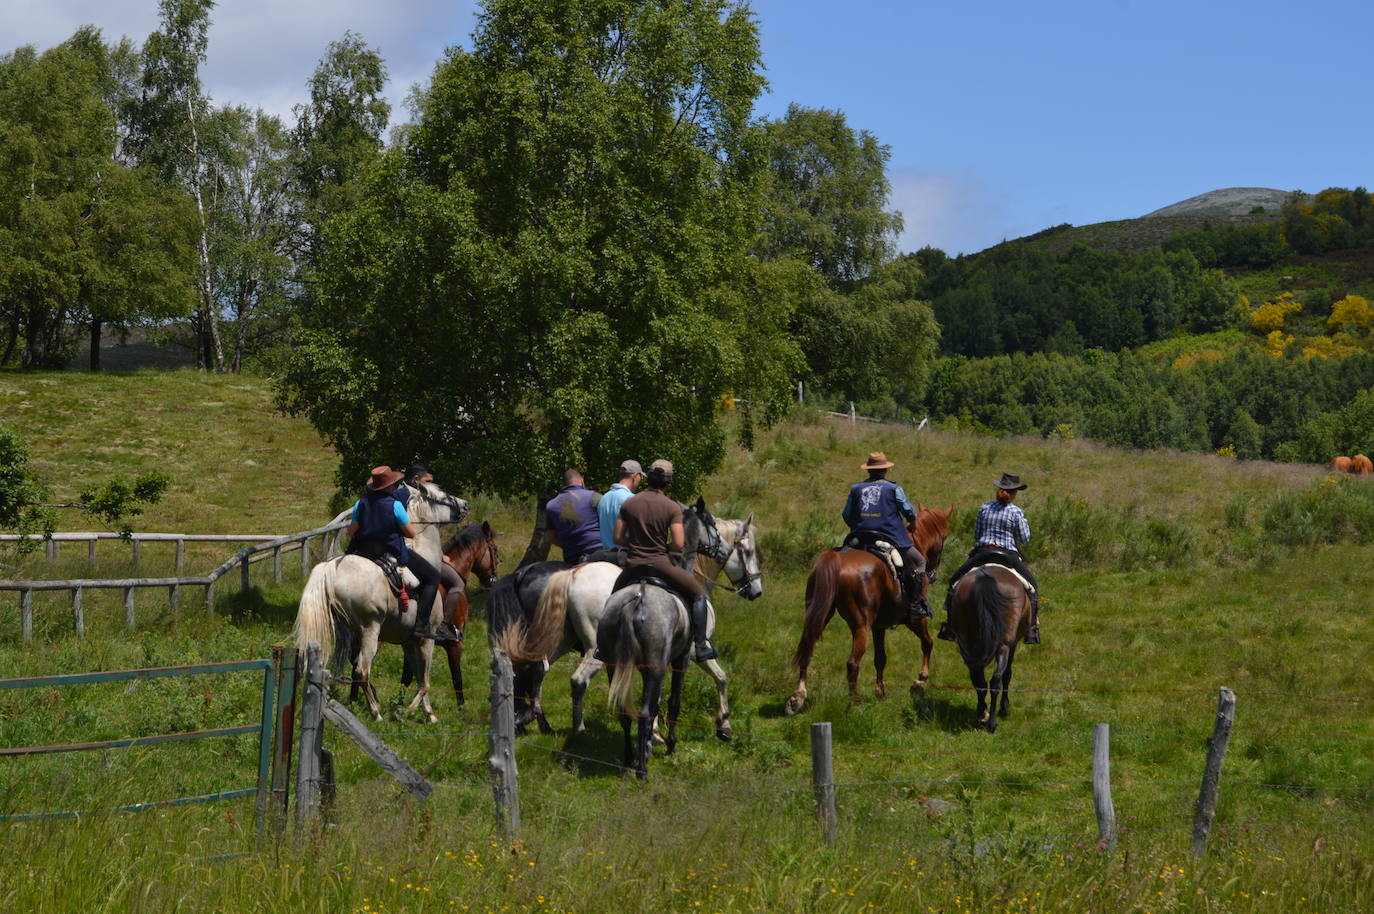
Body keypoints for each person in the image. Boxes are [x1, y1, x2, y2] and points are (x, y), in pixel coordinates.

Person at [611, 459, 718, 660]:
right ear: (668, 482)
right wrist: (663, 548)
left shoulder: (629, 503)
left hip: (633, 565)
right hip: (660, 565)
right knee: (698, 593)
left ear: (647, 478)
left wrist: (634, 545)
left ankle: (603, 645)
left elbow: (617, 537)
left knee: (613, 597)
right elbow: (678, 543)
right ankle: (701, 644)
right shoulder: (671, 507)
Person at [937, 472, 1041, 644]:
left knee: (954, 583)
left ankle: (950, 626)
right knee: (1033, 588)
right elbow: (1025, 538)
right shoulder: (1016, 512)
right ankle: (1031, 630)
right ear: (1014, 493)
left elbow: (977, 535)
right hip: (1008, 556)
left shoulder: (984, 508)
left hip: (982, 554)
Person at [345, 465, 445, 641]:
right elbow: (411, 533)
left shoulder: (360, 504)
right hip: (388, 552)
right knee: (433, 578)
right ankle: (421, 627)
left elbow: (351, 532)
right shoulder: (395, 505)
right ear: (390, 486)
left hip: (362, 552)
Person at [842, 451, 929, 627]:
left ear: (869, 471)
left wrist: (858, 525)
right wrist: (912, 523)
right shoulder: (893, 489)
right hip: (890, 537)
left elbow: (846, 515)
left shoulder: (855, 489)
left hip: (859, 537)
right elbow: (909, 512)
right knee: (920, 563)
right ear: (885, 470)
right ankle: (916, 605)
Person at [406, 461, 462, 644]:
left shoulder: (423, 496)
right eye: (427, 481)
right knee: (456, 583)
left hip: (427, 550)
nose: (430, 485)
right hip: (413, 552)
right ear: (416, 479)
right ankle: (441, 625)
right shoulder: (411, 498)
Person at [545, 469, 603, 565]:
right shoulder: (594, 497)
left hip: (572, 556)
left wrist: (568, 545)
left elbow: (551, 537)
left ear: (564, 483)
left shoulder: (551, 505)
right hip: (598, 552)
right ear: (582, 480)